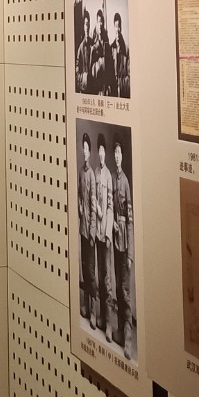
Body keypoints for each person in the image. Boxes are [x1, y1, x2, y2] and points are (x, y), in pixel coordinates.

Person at [109, 139, 133, 355]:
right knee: (118, 286)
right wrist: (113, 224)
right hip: (116, 238)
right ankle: (119, 331)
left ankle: (128, 338)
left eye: (119, 153)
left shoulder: (125, 181)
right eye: (115, 153)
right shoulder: (113, 178)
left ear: (123, 156)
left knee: (124, 290)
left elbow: (130, 219)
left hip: (125, 242)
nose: (117, 156)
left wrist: (131, 253)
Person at [93, 133, 113, 337]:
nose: (100, 154)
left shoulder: (107, 176)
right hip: (96, 233)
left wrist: (107, 233)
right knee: (100, 275)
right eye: (98, 150)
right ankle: (100, 316)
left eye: (102, 150)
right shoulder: (95, 174)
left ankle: (108, 323)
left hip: (105, 233)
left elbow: (110, 206)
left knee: (107, 279)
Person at [78, 133, 96, 324]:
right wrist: (79, 207)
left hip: (89, 230)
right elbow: (79, 195)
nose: (84, 151)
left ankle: (93, 309)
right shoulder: (81, 172)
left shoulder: (91, 174)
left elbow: (93, 205)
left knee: (91, 271)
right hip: (82, 227)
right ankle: (85, 304)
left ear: (90, 151)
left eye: (86, 148)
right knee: (84, 267)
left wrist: (92, 232)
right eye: (82, 148)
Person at [111, 12, 130, 100]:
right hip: (113, 93)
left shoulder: (126, 50)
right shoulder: (111, 49)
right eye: (116, 26)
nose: (117, 29)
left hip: (124, 94)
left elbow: (130, 76)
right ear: (113, 28)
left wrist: (121, 85)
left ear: (121, 28)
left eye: (119, 26)